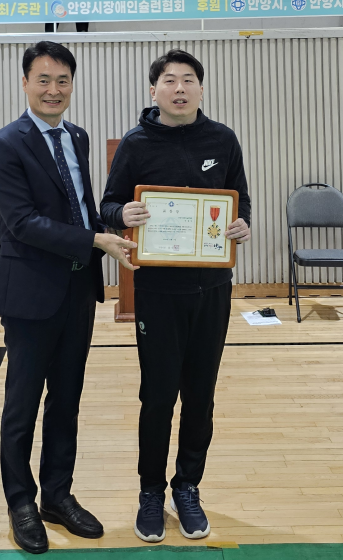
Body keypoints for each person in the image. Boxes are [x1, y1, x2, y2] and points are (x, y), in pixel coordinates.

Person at [0, 41, 137, 554]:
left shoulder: (78, 137)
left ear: (73, 84)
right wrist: (95, 240)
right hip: (31, 294)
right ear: (25, 82)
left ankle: (57, 495)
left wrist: (114, 225)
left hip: (77, 289)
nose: (54, 90)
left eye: (63, 81)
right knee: (22, 405)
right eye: (44, 80)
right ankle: (20, 503)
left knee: (66, 400)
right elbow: (22, 223)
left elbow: (82, 207)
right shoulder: (5, 145)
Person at [100, 49, 252, 544]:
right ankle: (150, 490)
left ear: (201, 89)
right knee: (158, 395)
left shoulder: (222, 139)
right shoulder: (136, 143)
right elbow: (108, 204)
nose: (179, 88)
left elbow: (240, 200)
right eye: (170, 80)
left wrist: (241, 224)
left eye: (189, 80)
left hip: (212, 290)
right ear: (154, 90)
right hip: (158, 291)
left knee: (201, 396)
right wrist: (122, 215)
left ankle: (187, 487)